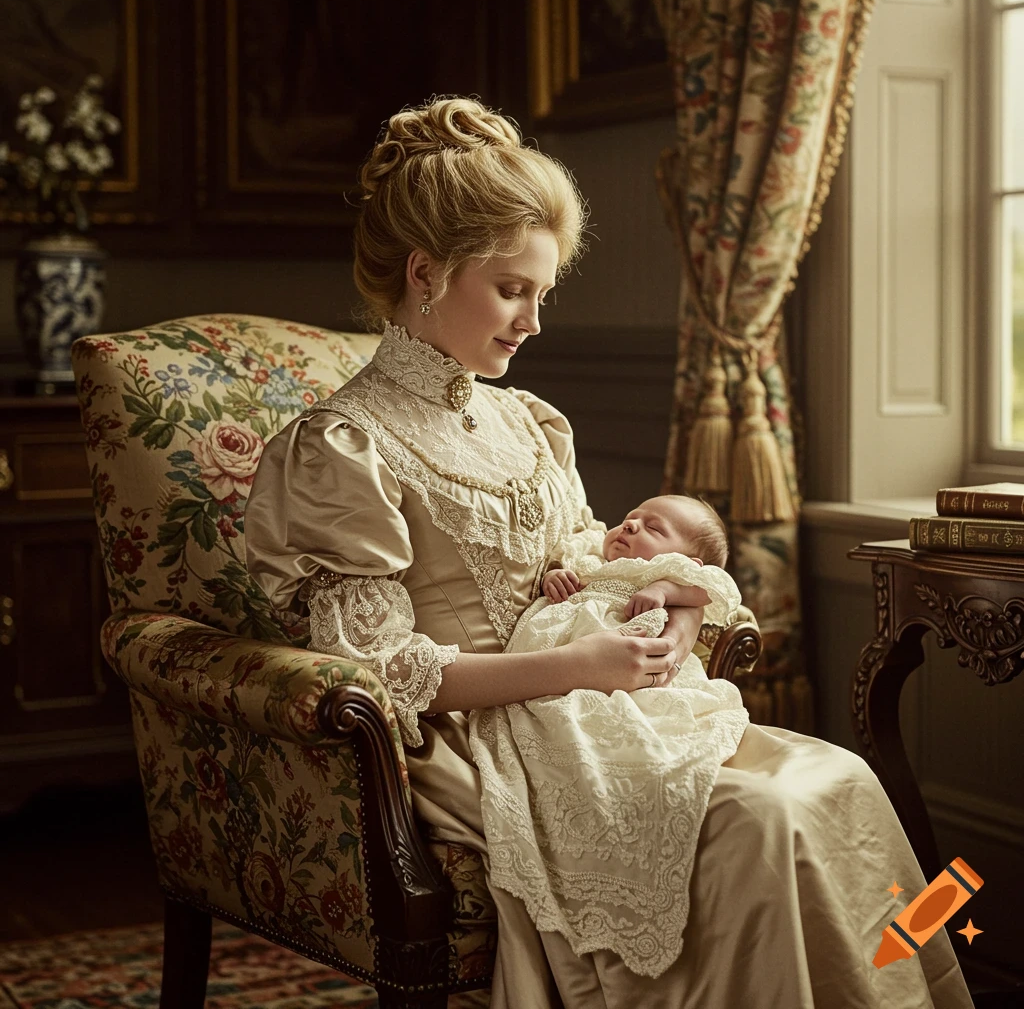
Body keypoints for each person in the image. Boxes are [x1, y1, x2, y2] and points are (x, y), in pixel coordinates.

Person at [244, 96, 974, 1008]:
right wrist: (578, 665)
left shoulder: (528, 422)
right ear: (425, 272)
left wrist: (677, 612)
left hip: (603, 710)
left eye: (543, 294)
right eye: (513, 290)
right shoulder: (343, 446)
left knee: (836, 779)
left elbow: (598, 559)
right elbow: (383, 673)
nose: (533, 321)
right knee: (764, 818)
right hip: (478, 738)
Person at [469, 494, 751, 979]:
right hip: (556, 671)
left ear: (685, 559)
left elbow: (709, 590)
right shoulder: (587, 558)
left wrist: (664, 589)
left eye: (653, 528)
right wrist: (556, 578)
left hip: (628, 677)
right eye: (629, 519)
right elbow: (560, 571)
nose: (630, 526)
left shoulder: (668, 578)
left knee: (631, 728)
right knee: (561, 729)